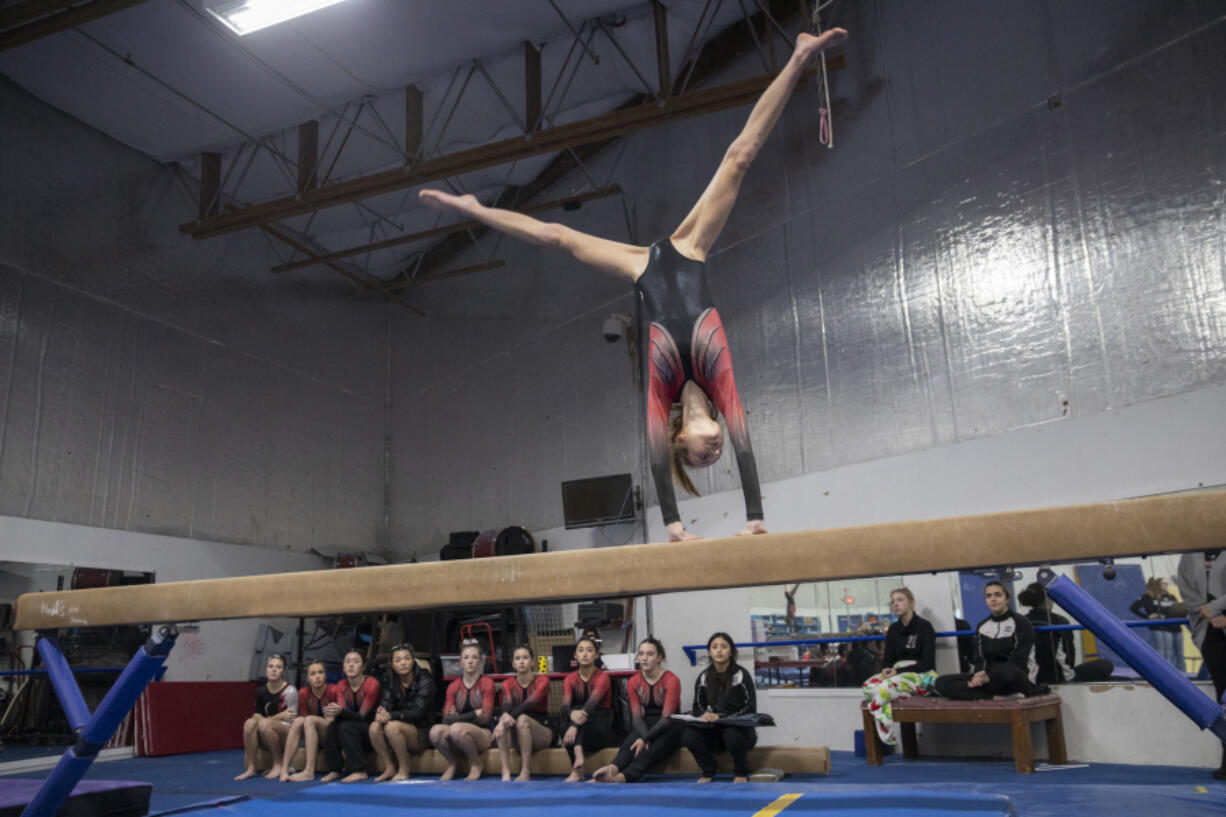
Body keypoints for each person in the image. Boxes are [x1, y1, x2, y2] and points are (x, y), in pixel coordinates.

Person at [418, 27, 849, 542]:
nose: (713, 453)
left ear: (679, 440)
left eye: (699, 456)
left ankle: (475, 210)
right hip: (691, 252)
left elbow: (652, 455)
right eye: (715, 454)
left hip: (643, 267)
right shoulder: (720, 382)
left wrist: (673, 526)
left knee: (557, 236)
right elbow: (745, 442)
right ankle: (800, 54)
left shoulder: (662, 390)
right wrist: (756, 519)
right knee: (738, 157)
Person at [592, 638, 683, 783]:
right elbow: (636, 718)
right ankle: (611, 769)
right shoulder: (634, 681)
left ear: (659, 658)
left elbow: (666, 719)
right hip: (646, 724)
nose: (644, 658)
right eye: (641, 654)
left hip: (671, 727)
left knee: (647, 750)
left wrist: (646, 739)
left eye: (650, 654)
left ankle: (623, 777)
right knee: (630, 742)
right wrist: (643, 736)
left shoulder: (671, 680)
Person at [933, 582, 1038, 700]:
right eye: (989, 596)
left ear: (1007, 599)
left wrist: (989, 677)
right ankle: (997, 697)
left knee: (1009, 672)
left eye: (998, 595)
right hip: (989, 679)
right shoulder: (982, 626)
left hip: (1016, 678)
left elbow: (1019, 661)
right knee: (941, 682)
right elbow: (980, 659)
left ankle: (978, 693)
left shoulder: (1022, 622)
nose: (993, 599)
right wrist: (979, 674)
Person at [680, 632, 758, 782]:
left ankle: (741, 771)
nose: (719, 650)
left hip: (740, 733)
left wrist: (722, 717)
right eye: (714, 647)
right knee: (688, 735)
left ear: (731, 651)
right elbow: (697, 707)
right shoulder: (704, 677)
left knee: (731, 733)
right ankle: (709, 769)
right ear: (709, 651)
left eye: (724, 646)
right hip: (714, 733)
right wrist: (703, 715)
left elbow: (750, 709)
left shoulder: (742, 675)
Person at [1176, 551, 1226, 779]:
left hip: (1219, 616)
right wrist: (1208, 614)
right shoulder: (1190, 553)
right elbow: (1186, 589)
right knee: (1223, 694)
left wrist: (1216, 608)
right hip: (1208, 628)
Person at [1017, 582, 1113, 683]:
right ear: (1049, 599)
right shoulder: (1060, 622)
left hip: (1031, 680)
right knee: (1106, 665)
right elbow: (1069, 660)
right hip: (1060, 679)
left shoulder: (1021, 622)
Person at [430, 641, 496, 781]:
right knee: (435, 731)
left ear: (480, 661)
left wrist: (458, 717)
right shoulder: (453, 686)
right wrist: (473, 714)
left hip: (483, 734)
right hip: (459, 732)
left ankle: (476, 764)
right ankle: (452, 764)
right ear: (460, 662)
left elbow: (485, 718)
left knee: (456, 728)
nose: (470, 661)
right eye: (466, 658)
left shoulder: (487, 683)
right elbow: (446, 719)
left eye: (474, 657)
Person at [370, 643, 436, 782]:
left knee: (392, 726)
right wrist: (381, 713)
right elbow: (385, 705)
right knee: (374, 727)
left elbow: (418, 712)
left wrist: (391, 716)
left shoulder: (425, 680)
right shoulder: (391, 681)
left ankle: (404, 769)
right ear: (392, 665)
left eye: (407, 658)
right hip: (400, 727)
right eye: (398, 660)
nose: (403, 663)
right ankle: (389, 768)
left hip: (422, 731)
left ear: (413, 661)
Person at [492, 644, 553, 781]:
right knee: (506, 720)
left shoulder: (543, 681)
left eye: (525, 658)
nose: (521, 661)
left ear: (532, 662)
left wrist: (502, 720)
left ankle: (525, 771)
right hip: (518, 734)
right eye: (518, 658)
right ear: (513, 663)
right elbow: (506, 704)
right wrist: (504, 718)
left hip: (541, 731)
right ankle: (505, 771)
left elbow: (528, 704)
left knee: (521, 719)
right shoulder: (508, 683)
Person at [320, 649, 382, 783]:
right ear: (343, 667)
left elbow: (362, 716)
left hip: (372, 730)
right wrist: (333, 712)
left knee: (345, 726)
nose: (351, 665)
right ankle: (335, 769)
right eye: (347, 662)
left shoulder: (372, 684)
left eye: (356, 661)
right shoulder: (341, 685)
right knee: (333, 726)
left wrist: (340, 712)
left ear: (363, 667)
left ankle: (359, 770)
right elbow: (342, 711)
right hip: (352, 728)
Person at [558, 636, 613, 782]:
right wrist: (572, 715)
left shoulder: (603, 678)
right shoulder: (570, 679)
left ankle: (577, 770)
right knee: (564, 726)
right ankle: (578, 769)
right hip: (580, 731)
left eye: (589, 650)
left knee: (577, 715)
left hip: (598, 730)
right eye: (580, 650)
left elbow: (590, 705)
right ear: (575, 655)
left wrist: (574, 725)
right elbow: (564, 707)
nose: (584, 654)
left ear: (596, 655)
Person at [235, 654, 298, 780]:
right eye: (271, 666)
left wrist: (267, 721)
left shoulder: (290, 690)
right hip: (267, 730)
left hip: (287, 733)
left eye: (278, 667)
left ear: (283, 672)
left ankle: (278, 763)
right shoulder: (260, 690)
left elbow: (291, 720)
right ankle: (251, 768)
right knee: (249, 723)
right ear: (266, 670)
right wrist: (278, 716)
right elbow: (256, 715)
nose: (274, 669)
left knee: (264, 724)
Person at [274, 660, 335, 782]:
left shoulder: (333, 690)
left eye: (320, 672)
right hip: (311, 734)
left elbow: (333, 722)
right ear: (307, 678)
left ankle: (309, 771)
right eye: (312, 674)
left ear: (325, 675)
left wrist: (314, 721)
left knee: (309, 720)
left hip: (331, 734)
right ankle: (284, 769)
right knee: (298, 721)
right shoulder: (303, 692)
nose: (317, 676)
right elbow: (303, 720)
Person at [1130, 577, 1184, 671]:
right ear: (1157, 585)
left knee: (1179, 653)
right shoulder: (1149, 597)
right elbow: (1134, 607)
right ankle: (1166, 671)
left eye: (1167, 584)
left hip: (1175, 626)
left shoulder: (1171, 597)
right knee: (1165, 652)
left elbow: (1176, 610)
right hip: (1162, 627)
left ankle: (1184, 673)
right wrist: (1147, 617)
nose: (1166, 585)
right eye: (1163, 584)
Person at [879, 588, 936, 676]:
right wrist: (885, 668)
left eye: (900, 600)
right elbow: (888, 658)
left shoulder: (925, 627)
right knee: (869, 685)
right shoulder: (893, 629)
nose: (895, 604)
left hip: (920, 673)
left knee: (884, 688)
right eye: (893, 601)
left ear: (911, 603)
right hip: (897, 672)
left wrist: (898, 671)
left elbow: (928, 663)